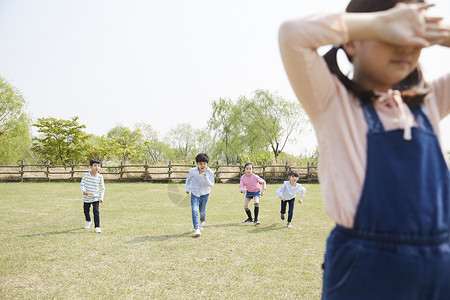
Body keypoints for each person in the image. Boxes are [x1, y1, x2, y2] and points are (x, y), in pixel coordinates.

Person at [279, 0, 450, 299]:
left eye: (413, 35)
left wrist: (439, 33)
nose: (405, 45)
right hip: (367, 267)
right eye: (392, 34)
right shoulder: (333, 103)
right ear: (352, 42)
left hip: (442, 262)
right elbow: (292, 34)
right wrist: (376, 23)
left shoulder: (428, 103)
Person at [185, 153, 215, 237]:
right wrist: (187, 189)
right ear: (197, 163)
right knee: (194, 210)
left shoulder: (209, 172)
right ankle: (197, 229)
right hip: (195, 193)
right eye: (200, 164)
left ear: (207, 164)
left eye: (204, 164)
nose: (202, 166)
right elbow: (188, 179)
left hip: (205, 194)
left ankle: (202, 221)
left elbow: (211, 184)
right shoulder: (192, 171)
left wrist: (207, 179)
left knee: (202, 211)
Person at [80, 158, 105, 233]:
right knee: (86, 211)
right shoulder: (86, 175)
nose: (97, 167)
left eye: (98, 166)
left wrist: (101, 197)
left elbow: (102, 188)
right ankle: (88, 220)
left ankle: (97, 227)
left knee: (96, 211)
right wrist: (84, 191)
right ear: (90, 166)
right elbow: (82, 185)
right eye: (94, 165)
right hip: (87, 197)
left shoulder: (100, 177)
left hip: (96, 198)